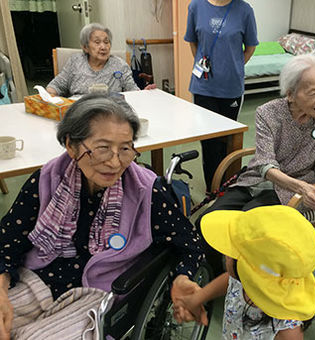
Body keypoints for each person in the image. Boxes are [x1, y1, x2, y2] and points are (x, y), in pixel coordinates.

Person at [0, 94, 204, 339]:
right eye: (103, 149)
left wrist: (182, 277)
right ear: (71, 145)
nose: (115, 163)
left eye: (125, 149)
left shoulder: (147, 193)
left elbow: (190, 245)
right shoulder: (46, 179)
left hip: (99, 293)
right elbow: (7, 241)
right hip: (37, 279)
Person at [196, 54, 315, 275]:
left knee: (245, 228)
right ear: (291, 94)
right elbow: (265, 164)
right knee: (206, 220)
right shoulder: (268, 113)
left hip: (292, 197)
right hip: (258, 181)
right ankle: (216, 276)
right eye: (313, 92)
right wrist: (300, 187)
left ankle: (245, 284)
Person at [172, 205, 315, 339]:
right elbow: (230, 280)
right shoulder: (246, 279)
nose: (226, 253)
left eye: (232, 250)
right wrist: (197, 298)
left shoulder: (287, 330)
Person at [184, 0, 258, 192]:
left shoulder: (244, 10)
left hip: (231, 88)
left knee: (229, 139)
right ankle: (213, 187)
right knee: (209, 141)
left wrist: (233, 66)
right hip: (204, 87)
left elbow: (250, 47)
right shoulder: (196, 7)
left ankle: (228, 184)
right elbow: (193, 42)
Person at [46, 23, 155, 97]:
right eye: (97, 42)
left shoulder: (120, 65)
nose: (103, 47)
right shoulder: (75, 62)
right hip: (80, 114)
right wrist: (50, 98)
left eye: (106, 42)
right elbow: (55, 86)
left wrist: (143, 94)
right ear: (85, 47)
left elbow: (132, 91)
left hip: (111, 114)